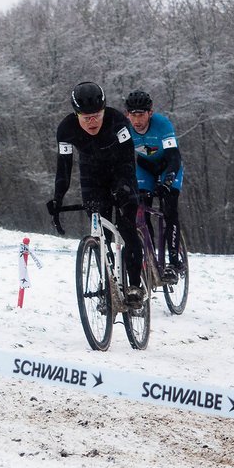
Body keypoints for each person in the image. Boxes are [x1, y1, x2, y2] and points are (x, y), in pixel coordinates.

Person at [47, 82, 144, 307]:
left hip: (121, 171)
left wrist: (126, 188)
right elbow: (64, 167)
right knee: (101, 233)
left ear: (104, 111)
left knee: (126, 226)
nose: (92, 122)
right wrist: (57, 199)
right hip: (92, 175)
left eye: (96, 116)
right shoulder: (66, 129)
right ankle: (107, 286)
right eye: (86, 117)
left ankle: (134, 286)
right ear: (76, 115)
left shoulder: (117, 121)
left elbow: (129, 160)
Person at [124, 89, 184, 281]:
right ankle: (149, 257)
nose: (137, 120)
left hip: (168, 166)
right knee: (140, 207)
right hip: (145, 168)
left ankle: (173, 263)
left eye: (141, 114)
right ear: (127, 115)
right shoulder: (126, 129)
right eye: (132, 115)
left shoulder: (162, 124)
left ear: (150, 113)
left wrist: (167, 182)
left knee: (169, 208)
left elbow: (174, 156)